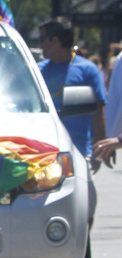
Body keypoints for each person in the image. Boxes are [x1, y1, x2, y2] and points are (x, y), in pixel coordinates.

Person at [38, 17, 107, 164]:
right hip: (42, 153)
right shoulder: (36, 71)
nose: (40, 44)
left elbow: (98, 113)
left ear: (55, 41)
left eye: (42, 39)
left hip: (79, 153)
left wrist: (100, 148)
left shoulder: (88, 70)